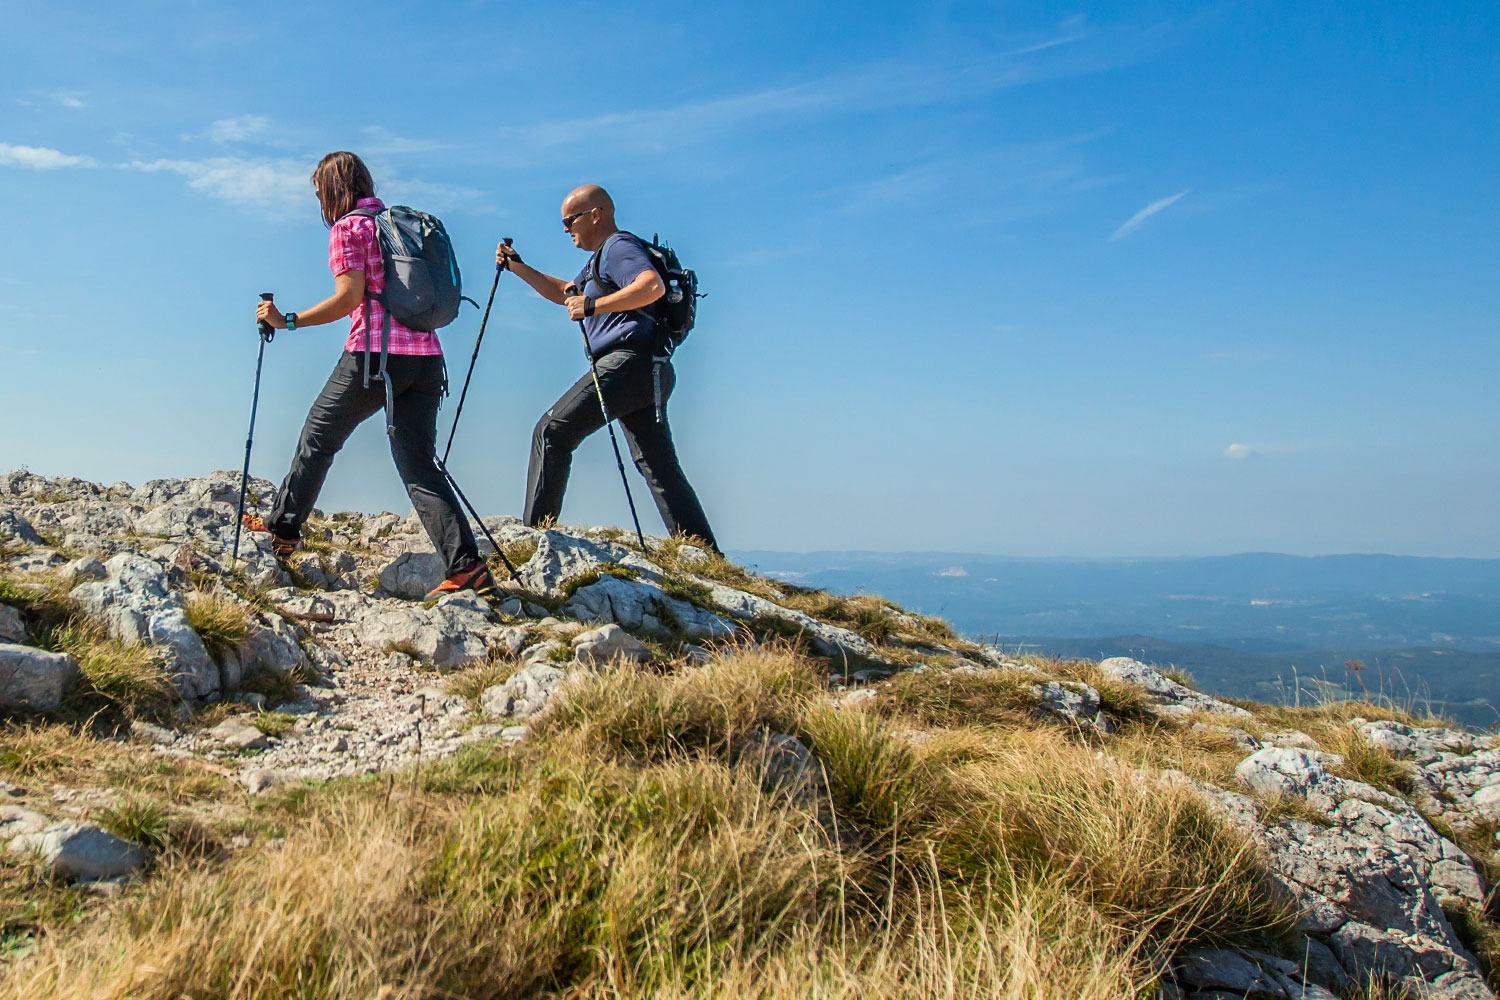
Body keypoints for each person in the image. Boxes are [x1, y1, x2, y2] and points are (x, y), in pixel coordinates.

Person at [244, 151, 496, 600]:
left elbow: (348, 298)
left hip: (372, 358)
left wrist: (288, 320)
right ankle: (467, 566)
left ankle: (283, 530)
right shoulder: (401, 225)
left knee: (319, 436)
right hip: (427, 359)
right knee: (419, 463)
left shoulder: (349, 229)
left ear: (331, 190)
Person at [496, 185, 720, 553]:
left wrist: (593, 308)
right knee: (658, 465)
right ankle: (707, 553)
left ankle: (534, 538)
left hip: (628, 363)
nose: (566, 229)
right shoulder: (600, 261)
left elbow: (651, 286)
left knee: (552, 431)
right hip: (653, 368)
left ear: (596, 214)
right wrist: (518, 267)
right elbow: (566, 293)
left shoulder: (618, 247)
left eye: (570, 221)